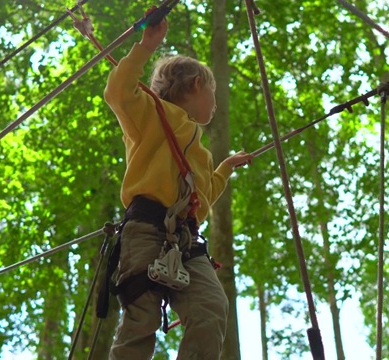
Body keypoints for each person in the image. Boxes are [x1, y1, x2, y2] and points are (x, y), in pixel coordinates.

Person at [104, 7, 253, 360]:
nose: (215, 105)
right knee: (142, 318)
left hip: (185, 238)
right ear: (197, 85)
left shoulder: (197, 149)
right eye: (213, 92)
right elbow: (118, 92)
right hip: (146, 228)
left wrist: (225, 169)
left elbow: (201, 195)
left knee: (211, 306)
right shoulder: (151, 113)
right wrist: (145, 46)